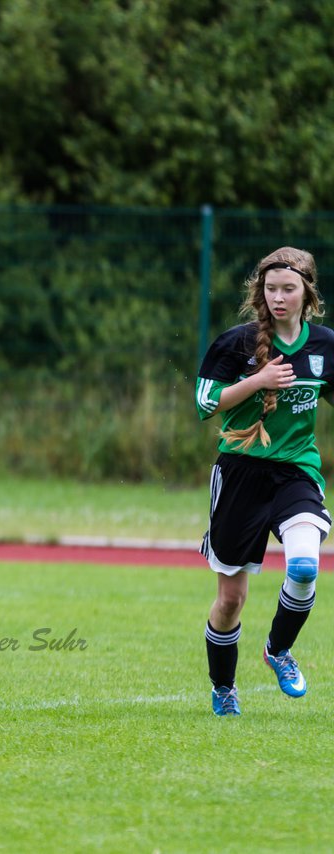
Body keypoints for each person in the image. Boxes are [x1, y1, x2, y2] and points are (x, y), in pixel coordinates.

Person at [196, 246, 333, 716]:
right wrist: (258, 381)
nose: (278, 297)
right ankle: (223, 687)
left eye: (288, 289)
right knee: (230, 599)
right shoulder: (236, 343)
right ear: (260, 291)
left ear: (307, 294)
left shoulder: (325, 346)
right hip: (239, 473)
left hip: (296, 471)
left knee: (303, 568)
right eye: (270, 289)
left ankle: (277, 650)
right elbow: (204, 404)